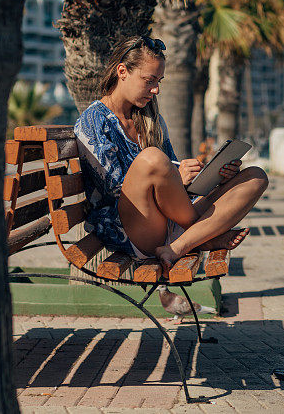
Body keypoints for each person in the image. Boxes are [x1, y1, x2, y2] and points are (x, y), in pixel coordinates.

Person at [74, 35, 268, 270]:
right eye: (149, 80)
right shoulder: (93, 121)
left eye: (159, 81)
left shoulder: (150, 119)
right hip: (130, 226)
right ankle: (206, 234)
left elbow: (172, 178)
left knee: (256, 176)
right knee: (152, 158)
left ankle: (179, 246)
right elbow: (114, 191)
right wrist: (175, 178)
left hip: (171, 220)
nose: (155, 89)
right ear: (122, 71)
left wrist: (213, 179)